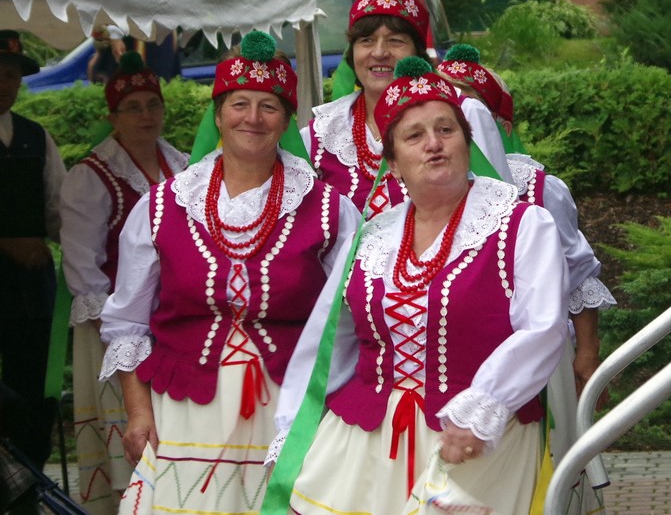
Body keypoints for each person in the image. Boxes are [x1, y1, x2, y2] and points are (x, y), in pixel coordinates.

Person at [266, 56, 568, 514]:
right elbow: (329, 345)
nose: (434, 144)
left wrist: (483, 407)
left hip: (473, 440)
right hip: (366, 442)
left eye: (446, 130)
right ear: (393, 163)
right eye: (414, 136)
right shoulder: (372, 238)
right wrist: (292, 430)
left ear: (467, 143)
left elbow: (543, 327)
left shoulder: (521, 224)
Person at [97, 31, 361, 514]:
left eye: (269, 106)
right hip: (184, 412)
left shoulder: (330, 210)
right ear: (218, 115)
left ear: (287, 119)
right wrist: (137, 412)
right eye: (239, 104)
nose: (253, 118)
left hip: (286, 412)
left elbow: (348, 323)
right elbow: (127, 322)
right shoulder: (163, 207)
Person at [440, 43, 615, 512]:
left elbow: (578, 276)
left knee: (544, 460)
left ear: (501, 124)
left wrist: (587, 355)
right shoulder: (425, 185)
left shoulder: (538, 188)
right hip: (457, 352)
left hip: (539, 351)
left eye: (469, 102)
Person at [60, 52, 189, 514]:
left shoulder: (182, 165)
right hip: (111, 327)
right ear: (112, 117)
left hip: (172, 324)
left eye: (153, 104)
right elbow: (84, 271)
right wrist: (122, 341)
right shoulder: (90, 177)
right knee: (131, 434)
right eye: (132, 108)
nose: (145, 115)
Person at [302, 0, 511, 219]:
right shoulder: (323, 132)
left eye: (395, 41)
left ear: (417, 53)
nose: (379, 52)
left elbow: (501, 213)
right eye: (367, 40)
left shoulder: (464, 112)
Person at [0, 30, 66, 494]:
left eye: (11, 76)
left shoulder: (35, 137)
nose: (4, 84)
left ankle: (29, 483)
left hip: (30, 288)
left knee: (35, 389)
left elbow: (59, 211)